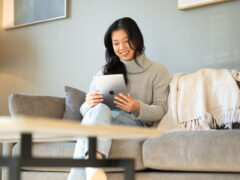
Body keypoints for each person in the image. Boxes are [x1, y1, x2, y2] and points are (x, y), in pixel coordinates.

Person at [67, 17, 170, 180]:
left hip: (133, 125)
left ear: (137, 39)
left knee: (88, 130)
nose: (121, 48)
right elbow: (84, 111)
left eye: (126, 41)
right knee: (99, 109)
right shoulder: (105, 71)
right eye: (116, 43)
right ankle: (94, 167)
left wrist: (137, 107)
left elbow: (162, 108)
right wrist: (89, 103)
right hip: (103, 122)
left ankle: (91, 163)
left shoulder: (157, 71)